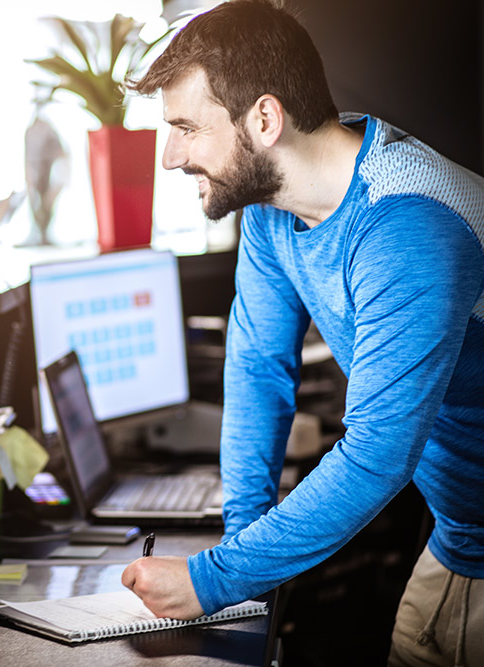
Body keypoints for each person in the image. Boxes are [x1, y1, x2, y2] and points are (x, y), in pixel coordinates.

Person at [119, 1, 484, 664]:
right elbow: (258, 371)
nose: (171, 156)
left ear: (264, 118)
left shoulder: (407, 226)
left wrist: (213, 578)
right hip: (465, 533)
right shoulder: (271, 214)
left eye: (184, 128)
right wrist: (240, 557)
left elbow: (376, 454)